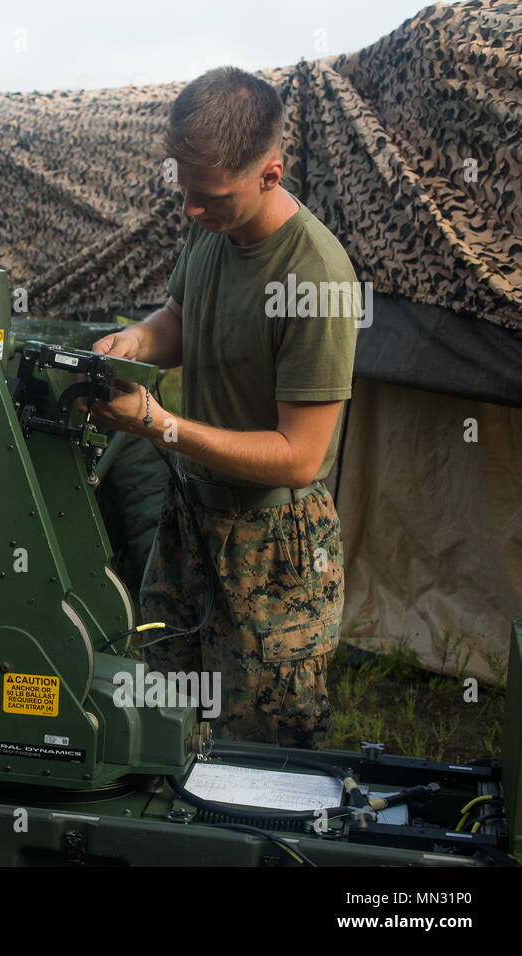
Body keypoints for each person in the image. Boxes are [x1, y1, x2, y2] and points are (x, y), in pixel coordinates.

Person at [87, 66, 359, 749]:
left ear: (271, 173)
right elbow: (181, 314)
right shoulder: (211, 225)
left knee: (263, 757)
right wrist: (136, 341)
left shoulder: (315, 278)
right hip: (191, 524)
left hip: (274, 551)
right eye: (184, 190)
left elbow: (299, 457)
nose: (192, 211)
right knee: (160, 724)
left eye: (209, 196)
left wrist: (159, 423)